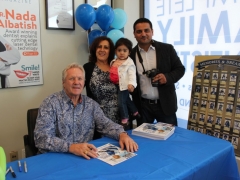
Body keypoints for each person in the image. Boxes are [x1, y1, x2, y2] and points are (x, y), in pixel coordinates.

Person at [34, 63, 138, 159]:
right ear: (63, 82)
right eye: (71, 79)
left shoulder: (90, 104)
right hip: (55, 159)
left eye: (80, 79)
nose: (76, 82)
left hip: (83, 158)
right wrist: (72, 147)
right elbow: (41, 138)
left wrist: (122, 134)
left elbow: (105, 124)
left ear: (84, 82)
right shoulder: (50, 103)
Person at [130, 18, 185, 126]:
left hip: (165, 105)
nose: (143, 34)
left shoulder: (167, 49)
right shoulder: (130, 55)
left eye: (146, 30)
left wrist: (167, 77)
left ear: (152, 31)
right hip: (142, 106)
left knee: (170, 139)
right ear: (134, 34)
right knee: (144, 140)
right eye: (139, 31)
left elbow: (180, 69)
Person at [83, 37, 119, 137]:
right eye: (99, 47)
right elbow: (77, 87)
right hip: (97, 118)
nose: (102, 50)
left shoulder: (116, 66)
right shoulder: (88, 67)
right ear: (95, 49)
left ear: (110, 51)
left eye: (106, 47)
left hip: (119, 116)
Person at [109, 38, 140, 125]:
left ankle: (125, 117)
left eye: (124, 50)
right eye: (119, 50)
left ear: (129, 52)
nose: (122, 53)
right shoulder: (114, 61)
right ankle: (135, 112)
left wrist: (131, 84)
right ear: (115, 51)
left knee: (121, 102)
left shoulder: (129, 63)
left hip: (125, 86)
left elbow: (132, 75)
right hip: (118, 85)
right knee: (127, 100)